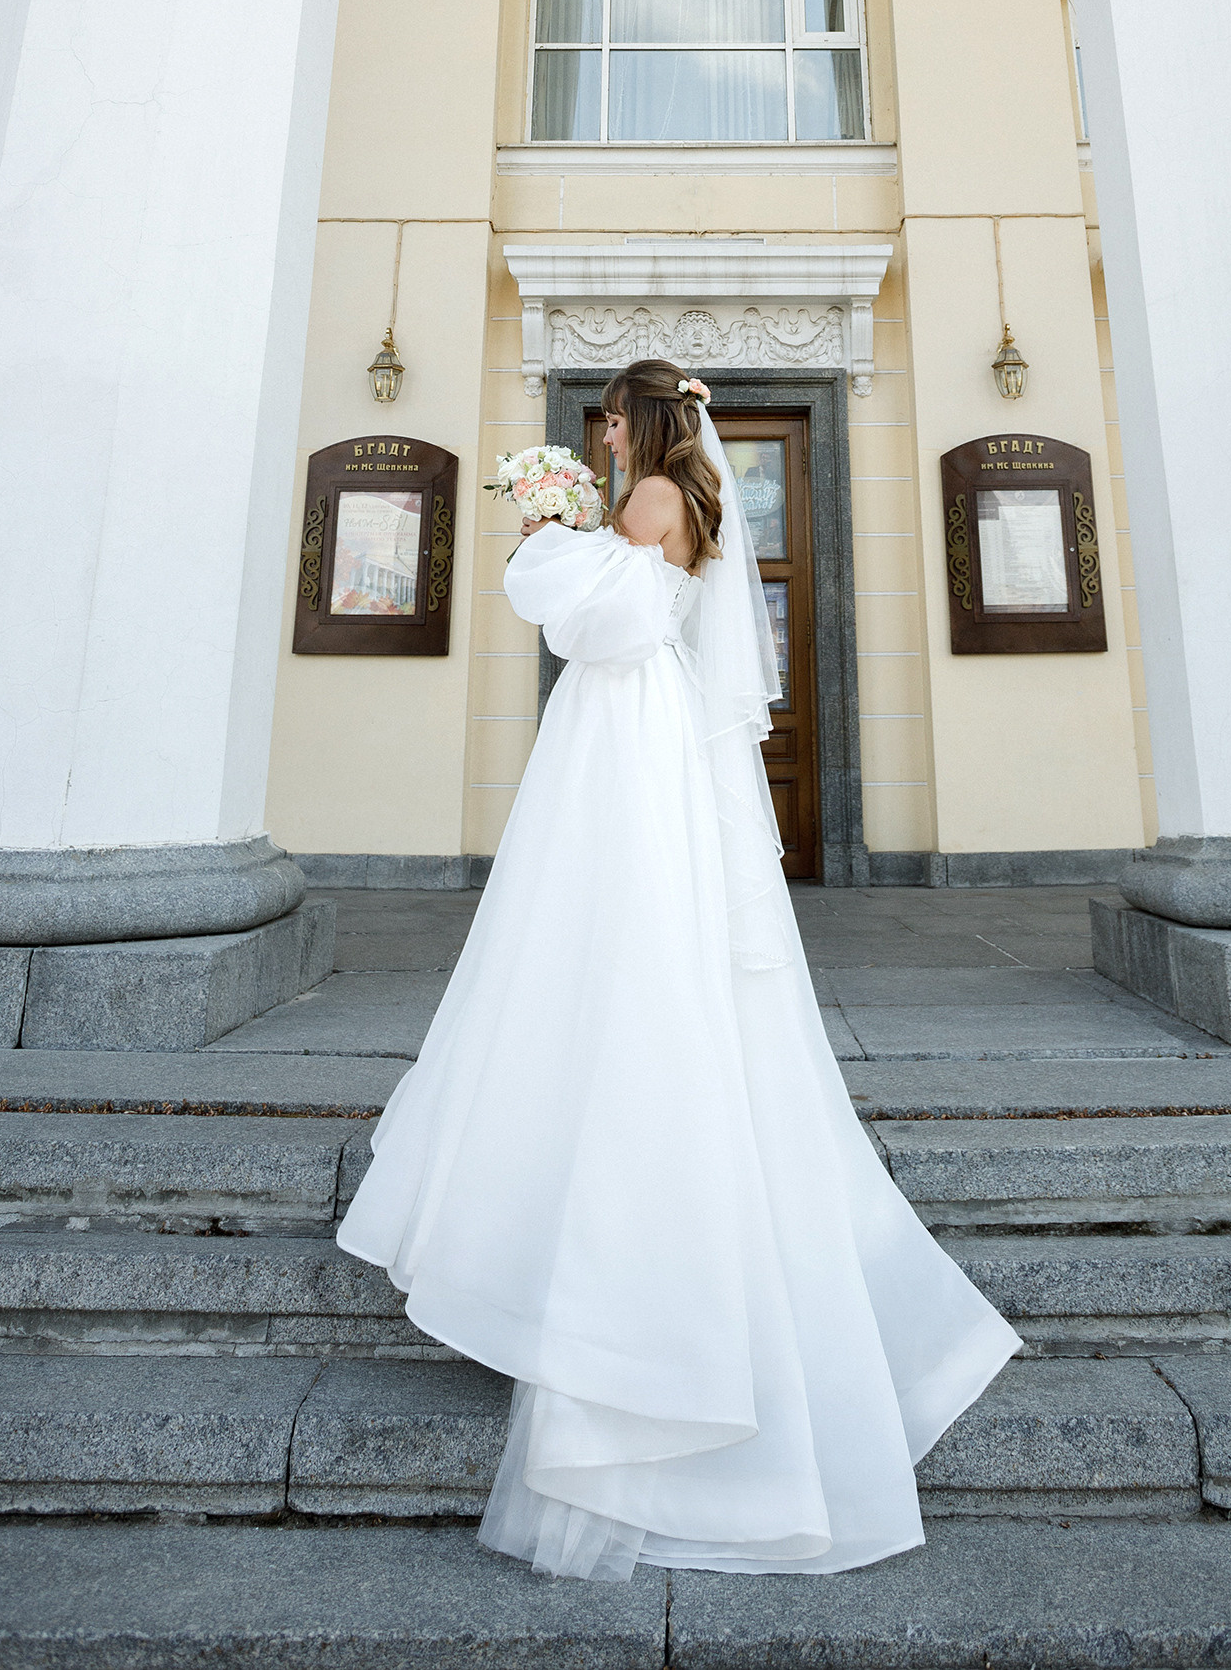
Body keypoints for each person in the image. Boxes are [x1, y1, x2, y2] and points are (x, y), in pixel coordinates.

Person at [336, 358, 1018, 1578]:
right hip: (633, 723)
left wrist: (549, 533)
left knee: (609, 920)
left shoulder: (651, 494)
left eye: (603, 417)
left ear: (639, 421)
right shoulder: (672, 497)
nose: (594, 435)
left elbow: (611, 623)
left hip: (629, 725)